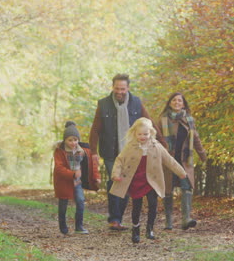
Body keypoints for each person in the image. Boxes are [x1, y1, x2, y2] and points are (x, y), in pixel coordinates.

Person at [89, 73, 166, 231]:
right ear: (113, 87)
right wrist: (93, 151)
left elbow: (149, 124)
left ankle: (118, 218)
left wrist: (162, 143)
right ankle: (114, 219)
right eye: (117, 88)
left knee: (127, 182)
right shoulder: (103, 104)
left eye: (123, 89)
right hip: (111, 151)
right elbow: (95, 129)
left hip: (132, 152)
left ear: (128, 88)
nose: (120, 92)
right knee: (115, 180)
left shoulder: (136, 103)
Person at [110, 117, 187, 243]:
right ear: (135, 133)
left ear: (151, 133)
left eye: (145, 134)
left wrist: (181, 172)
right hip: (136, 180)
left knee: (153, 205)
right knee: (136, 206)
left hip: (152, 180)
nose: (142, 136)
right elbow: (120, 160)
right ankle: (135, 229)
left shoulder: (157, 146)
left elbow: (169, 160)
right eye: (139, 134)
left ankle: (150, 229)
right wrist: (116, 174)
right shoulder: (130, 146)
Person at [157, 92, 207, 230]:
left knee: (187, 187)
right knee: (168, 190)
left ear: (183, 104)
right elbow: (157, 139)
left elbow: (195, 138)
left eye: (179, 101)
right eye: (174, 100)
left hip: (185, 159)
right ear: (170, 103)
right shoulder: (162, 120)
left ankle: (186, 219)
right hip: (168, 160)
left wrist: (202, 154)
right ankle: (168, 222)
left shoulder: (189, 120)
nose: (177, 103)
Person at [53, 121, 100, 235]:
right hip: (64, 182)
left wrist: (96, 177)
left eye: (75, 140)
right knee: (63, 204)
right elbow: (59, 168)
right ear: (65, 140)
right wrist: (72, 174)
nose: (73, 142)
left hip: (77, 182)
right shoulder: (60, 151)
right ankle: (63, 227)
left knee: (80, 201)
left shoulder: (83, 151)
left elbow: (92, 165)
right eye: (70, 140)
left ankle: (79, 226)